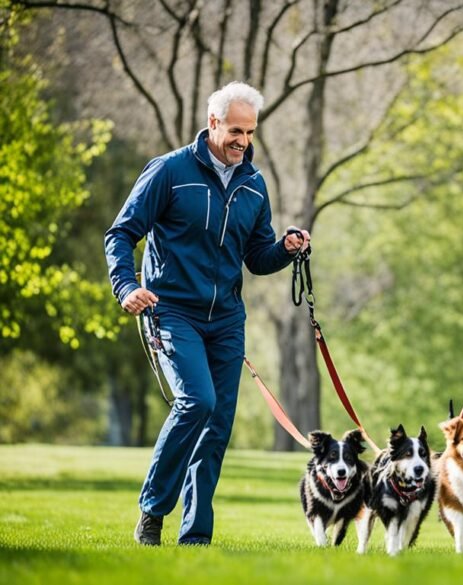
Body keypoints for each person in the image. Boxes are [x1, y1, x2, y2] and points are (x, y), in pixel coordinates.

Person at [104, 81, 310, 546]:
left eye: (250, 132)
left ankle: (195, 538)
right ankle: (153, 510)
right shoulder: (171, 172)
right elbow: (121, 233)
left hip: (227, 320)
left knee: (216, 428)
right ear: (213, 122)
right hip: (171, 309)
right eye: (236, 130)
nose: (243, 140)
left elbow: (257, 257)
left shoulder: (254, 184)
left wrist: (286, 248)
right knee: (197, 402)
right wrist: (126, 286)